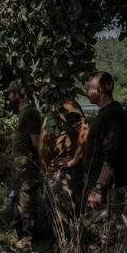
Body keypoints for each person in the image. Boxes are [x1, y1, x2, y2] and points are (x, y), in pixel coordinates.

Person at [83, 71, 127, 253]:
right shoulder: (106, 113)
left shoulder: (113, 114)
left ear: (102, 89)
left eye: (90, 86)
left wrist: (99, 188)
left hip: (111, 191)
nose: (87, 90)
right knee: (102, 237)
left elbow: (111, 159)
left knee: (113, 238)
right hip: (104, 190)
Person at [38, 98, 89, 237]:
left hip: (66, 173)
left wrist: (74, 159)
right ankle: (63, 252)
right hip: (52, 172)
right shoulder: (52, 112)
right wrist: (45, 166)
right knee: (54, 214)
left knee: (67, 217)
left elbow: (84, 132)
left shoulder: (70, 107)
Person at [7, 81, 42, 250]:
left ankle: (28, 238)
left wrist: (39, 160)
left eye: (11, 93)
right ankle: (21, 232)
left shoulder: (30, 113)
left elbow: (37, 142)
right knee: (19, 197)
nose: (9, 96)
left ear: (18, 94)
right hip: (20, 164)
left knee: (26, 198)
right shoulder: (23, 113)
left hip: (27, 164)